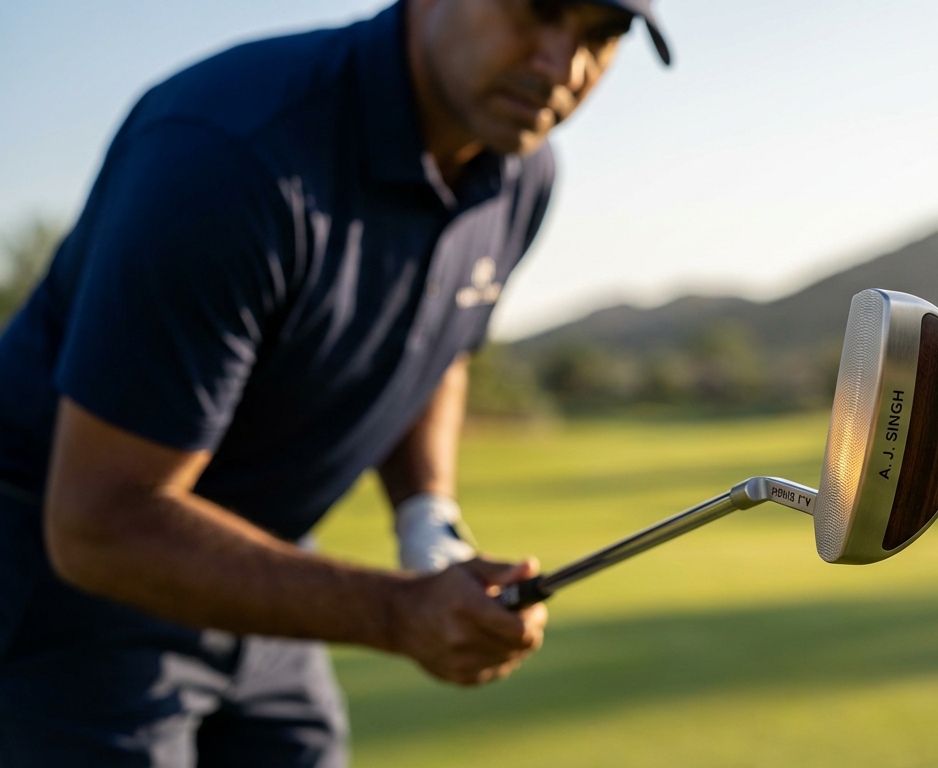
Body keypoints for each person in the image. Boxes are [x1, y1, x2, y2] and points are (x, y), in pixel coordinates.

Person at [0, 0, 670, 765]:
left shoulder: (519, 169)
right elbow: (98, 523)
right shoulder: (231, 153)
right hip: (68, 593)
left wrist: (428, 527)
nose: (563, 66)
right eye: (538, 9)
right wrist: (395, 613)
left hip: (268, 570)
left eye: (601, 34)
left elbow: (436, 344)